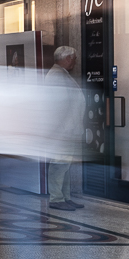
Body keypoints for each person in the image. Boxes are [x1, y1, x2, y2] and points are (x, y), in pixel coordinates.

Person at [45, 46, 85, 210]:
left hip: (69, 130)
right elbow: (56, 107)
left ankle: (65, 197)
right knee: (59, 165)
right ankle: (56, 199)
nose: (75, 61)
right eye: (74, 58)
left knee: (65, 165)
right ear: (67, 58)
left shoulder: (61, 74)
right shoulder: (56, 76)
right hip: (63, 132)